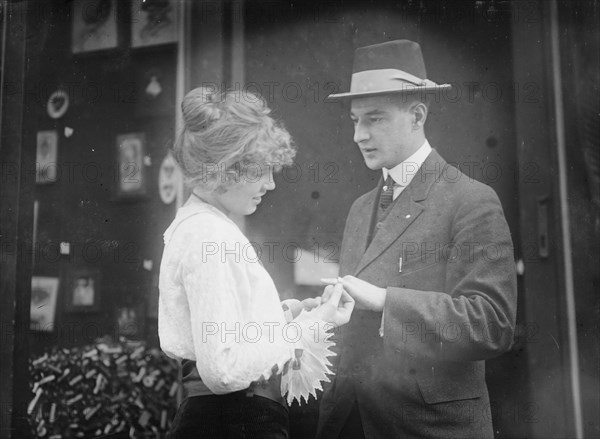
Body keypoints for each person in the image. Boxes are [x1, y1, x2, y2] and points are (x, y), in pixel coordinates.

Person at [316, 40, 517, 438]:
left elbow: (492, 324)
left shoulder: (469, 199)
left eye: (374, 118)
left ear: (417, 115)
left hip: (427, 428)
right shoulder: (360, 209)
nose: (359, 134)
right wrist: (316, 315)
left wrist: (387, 301)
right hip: (350, 420)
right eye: (355, 120)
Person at [158, 86, 355, 439]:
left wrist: (290, 315)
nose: (271, 183)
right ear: (225, 169)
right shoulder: (209, 236)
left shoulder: (205, 227)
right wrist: (313, 325)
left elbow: (228, 330)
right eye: (261, 171)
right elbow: (223, 370)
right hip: (236, 421)